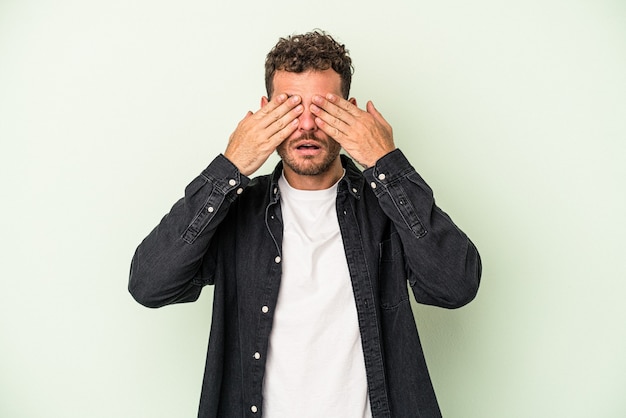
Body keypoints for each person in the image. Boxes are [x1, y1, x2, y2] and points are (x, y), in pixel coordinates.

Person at [129, 30, 481, 418]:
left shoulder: (386, 207)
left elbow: (456, 286)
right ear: (265, 113)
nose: (308, 125)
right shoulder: (236, 211)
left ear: (349, 113)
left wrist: (388, 164)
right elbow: (149, 284)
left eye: (323, 108)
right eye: (291, 108)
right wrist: (229, 168)